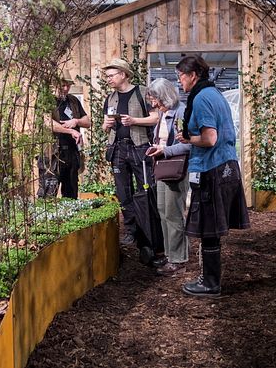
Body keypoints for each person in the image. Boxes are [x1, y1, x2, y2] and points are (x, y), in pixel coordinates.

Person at [175, 55, 250, 298]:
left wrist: (188, 139)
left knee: (209, 228)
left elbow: (209, 139)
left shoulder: (202, 98)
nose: (180, 82)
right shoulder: (214, 94)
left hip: (212, 168)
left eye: (181, 76)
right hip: (225, 165)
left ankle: (210, 283)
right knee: (212, 228)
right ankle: (209, 280)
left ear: (193, 75)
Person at [101, 58, 159, 249]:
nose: (108, 79)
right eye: (107, 76)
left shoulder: (143, 92)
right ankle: (131, 230)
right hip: (117, 148)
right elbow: (103, 127)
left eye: (111, 75)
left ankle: (150, 230)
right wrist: (106, 125)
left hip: (140, 147)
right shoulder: (110, 98)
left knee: (146, 189)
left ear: (124, 74)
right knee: (123, 192)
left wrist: (134, 120)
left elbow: (155, 118)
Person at [146, 78, 191, 277]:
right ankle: (169, 253)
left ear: (164, 96)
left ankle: (178, 258)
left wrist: (165, 150)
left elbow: (189, 144)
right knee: (163, 211)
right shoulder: (163, 114)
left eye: (155, 98)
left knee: (173, 213)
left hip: (176, 168)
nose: (152, 102)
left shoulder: (180, 113)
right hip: (163, 167)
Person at [38, 71, 89, 199]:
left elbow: (88, 122)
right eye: (62, 85)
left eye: (68, 85)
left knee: (71, 193)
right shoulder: (46, 101)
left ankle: (70, 218)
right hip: (52, 153)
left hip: (71, 153)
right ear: (54, 84)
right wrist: (71, 130)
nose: (65, 88)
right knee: (48, 194)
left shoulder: (73, 101)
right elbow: (48, 123)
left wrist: (76, 121)